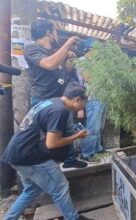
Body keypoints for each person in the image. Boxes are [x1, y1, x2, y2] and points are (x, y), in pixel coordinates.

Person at [1, 82, 92, 220]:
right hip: (29, 156)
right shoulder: (59, 111)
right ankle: (73, 218)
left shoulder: (52, 102)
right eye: (84, 103)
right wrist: (76, 136)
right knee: (60, 187)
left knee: (31, 191)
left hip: (16, 153)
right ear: (77, 99)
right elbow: (52, 143)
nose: (83, 107)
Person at [24, 19, 87, 168]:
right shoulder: (32, 49)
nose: (57, 36)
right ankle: (48, 167)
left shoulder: (53, 52)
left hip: (59, 100)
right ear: (48, 32)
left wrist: (68, 58)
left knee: (69, 128)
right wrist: (67, 44)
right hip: (43, 99)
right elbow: (50, 64)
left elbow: (66, 70)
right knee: (48, 136)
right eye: (56, 32)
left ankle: (70, 160)